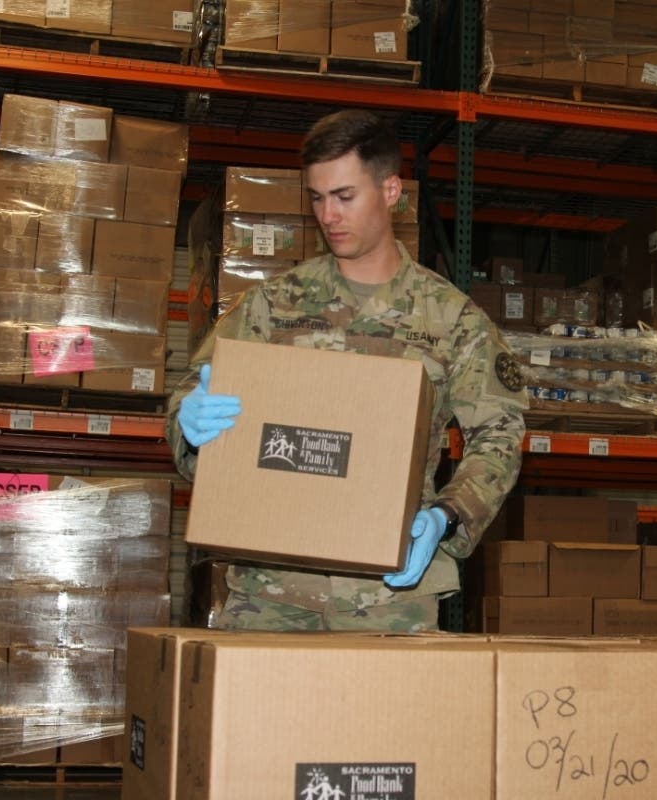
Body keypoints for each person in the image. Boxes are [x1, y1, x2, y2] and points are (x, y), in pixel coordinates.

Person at [167, 108, 528, 632]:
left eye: (344, 196)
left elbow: (500, 435)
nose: (328, 215)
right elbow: (189, 394)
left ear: (390, 191)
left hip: (391, 597)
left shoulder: (452, 320)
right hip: (271, 594)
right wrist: (189, 425)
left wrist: (448, 516)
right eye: (316, 197)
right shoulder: (274, 306)